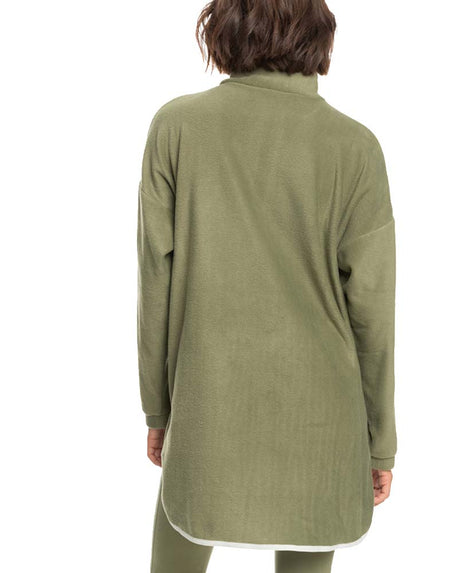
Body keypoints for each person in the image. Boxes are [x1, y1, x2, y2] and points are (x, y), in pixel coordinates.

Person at [137, 1, 397, 571]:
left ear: (224, 30)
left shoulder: (178, 127)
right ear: (319, 35)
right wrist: (381, 439)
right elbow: (373, 311)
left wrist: (157, 410)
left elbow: (156, 282)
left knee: (179, 539)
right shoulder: (356, 147)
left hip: (208, 404)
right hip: (323, 418)